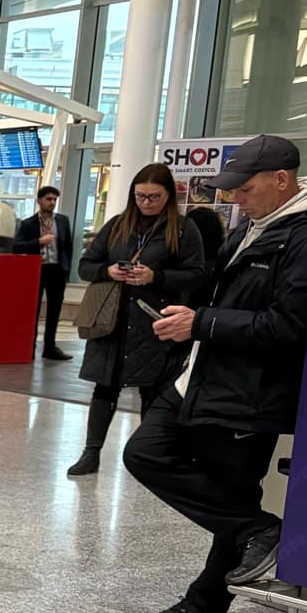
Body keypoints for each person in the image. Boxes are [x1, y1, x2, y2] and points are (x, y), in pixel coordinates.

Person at [123, 135, 307, 613]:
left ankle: (207, 603)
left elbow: (288, 326)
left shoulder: (306, 237)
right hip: (200, 375)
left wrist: (202, 322)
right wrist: (187, 315)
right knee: (145, 452)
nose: (236, 198)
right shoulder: (253, 227)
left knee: (233, 490)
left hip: (250, 390)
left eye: (246, 189)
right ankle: (262, 531)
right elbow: (224, 297)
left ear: (282, 180)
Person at [67, 163, 207, 476]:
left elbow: (197, 275)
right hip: (112, 321)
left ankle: (149, 457)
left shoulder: (183, 230)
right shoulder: (118, 225)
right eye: (140, 196)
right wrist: (108, 271)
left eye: (154, 197)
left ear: (168, 196)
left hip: (154, 323)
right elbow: (85, 266)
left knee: (152, 391)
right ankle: (91, 452)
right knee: (104, 387)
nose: (146, 203)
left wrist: (155, 276)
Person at [13, 184, 74, 362]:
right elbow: (17, 246)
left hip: (57, 270)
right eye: (48, 199)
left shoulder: (63, 221)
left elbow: (67, 246)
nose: (52, 202)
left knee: (54, 310)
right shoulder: (28, 223)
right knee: (33, 310)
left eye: (54, 199)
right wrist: (39, 242)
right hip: (37, 270)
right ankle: (29, 346)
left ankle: (50, 347)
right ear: (39, 201)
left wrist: (66, 269)